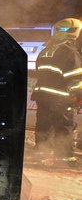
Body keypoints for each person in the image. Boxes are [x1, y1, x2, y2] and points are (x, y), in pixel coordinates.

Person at [32, 18, 82, 160]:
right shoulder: (70, 52)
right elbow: (74, 78)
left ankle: (41, 152)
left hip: (42, 95)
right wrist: (77, 95)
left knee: (43, 125)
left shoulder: (45, 51)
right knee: (64, 127)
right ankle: (64, 158)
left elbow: (40, 72)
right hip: (61, 97)